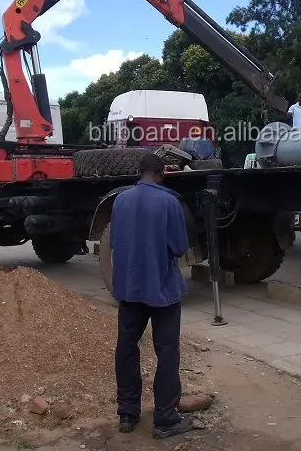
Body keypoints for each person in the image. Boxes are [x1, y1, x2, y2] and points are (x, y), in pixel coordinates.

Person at [109, 152, 192, 439]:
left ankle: (127, 414)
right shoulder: (169, 201)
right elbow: (180, 247)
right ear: (162, 173)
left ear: (138, 171)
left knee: (127, 347)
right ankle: (165, 419)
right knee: (167, 351)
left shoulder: (120, 200)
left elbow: (114, 244)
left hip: (129, 289)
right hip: (162, 290)